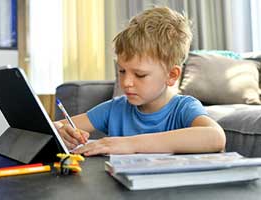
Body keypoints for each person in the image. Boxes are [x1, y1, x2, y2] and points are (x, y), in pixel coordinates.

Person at [54, 7, 226, 156]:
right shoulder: (114, 109)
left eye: (140, 75)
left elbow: (216, 137)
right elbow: (52, 127)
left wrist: (131, 144)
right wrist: (61, 131)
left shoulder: (183, 108)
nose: (126, 82)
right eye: (121, 71)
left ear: (171, 75)